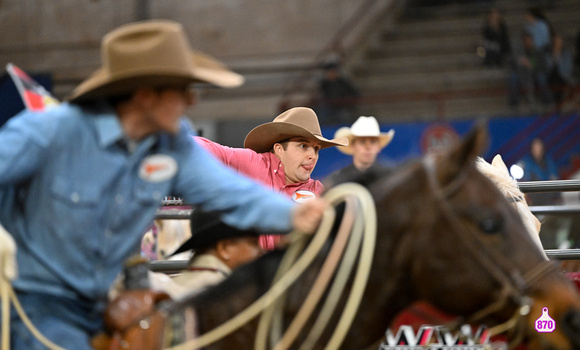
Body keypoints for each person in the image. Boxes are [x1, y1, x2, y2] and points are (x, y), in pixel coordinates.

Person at [0, 20, 327, 350]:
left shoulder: (172, 144)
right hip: (38, 304)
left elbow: (226, 190)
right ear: (145, 96)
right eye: (183, 91)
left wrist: (294, 214)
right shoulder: (50, 133)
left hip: (104, 300)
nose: (192, 101)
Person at [194, 106, 348, 250]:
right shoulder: (252, 162)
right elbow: (196, 147)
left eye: (316, 149)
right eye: (303, 146)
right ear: (279, 149)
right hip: (249, 269)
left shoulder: (318, 191)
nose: (312, 156)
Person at [169, 209, 263, 297]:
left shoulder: (172, 285)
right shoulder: (229, 293)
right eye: (254, 243)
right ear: (225, 248)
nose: (262, 251)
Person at [324, 116, 395, 188]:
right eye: (362, 142)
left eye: (373, 142)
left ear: (379, 147)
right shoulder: (340, 179)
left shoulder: (390, 176)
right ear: (352, 146)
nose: (368, 147)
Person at [315, 61, 360, 126]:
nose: (331, 74)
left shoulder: (343, 83)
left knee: (345, 115)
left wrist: (346, 101)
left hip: (343, 106)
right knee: (322, 114)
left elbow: (354, 93)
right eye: (329, 72)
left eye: (333, 71)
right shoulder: (324, 84)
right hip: (329, 106)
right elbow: (322, 96)